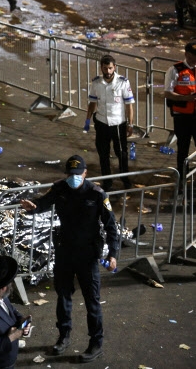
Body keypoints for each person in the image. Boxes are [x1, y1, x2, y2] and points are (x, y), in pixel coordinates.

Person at [19, 155, 119, 363]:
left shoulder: (97, 194)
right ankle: (63, 336)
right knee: (63, 297)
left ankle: (95, 343)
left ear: (85, 173)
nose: (74, 178)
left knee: (92, 301)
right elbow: (44, 203)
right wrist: (33, 206)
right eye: (70, 174)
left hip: (88, 255)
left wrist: (113, 254)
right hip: (65, 252)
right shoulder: (60, 188)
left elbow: (111, 226)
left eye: (78, 174)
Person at [84, 55, 135, 192]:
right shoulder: (96, 83)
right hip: (101, 123)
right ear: (101, 68)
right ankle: (107, 181)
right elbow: (92, 103)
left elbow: (129, 105)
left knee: (122, 154)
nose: (108, 71)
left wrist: (130, 124)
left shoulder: (123, 82)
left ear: (114, 67)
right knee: (103, 154)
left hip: (118, 123)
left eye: (110, 68)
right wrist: (88, 119)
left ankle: (125, 178)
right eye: (105, 68)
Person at [164, 41, 196, 183]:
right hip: (182, 116)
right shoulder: (175, 70)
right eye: (193, 55)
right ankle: (182, 178)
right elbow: (167, 93)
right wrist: (186, 98)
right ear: (186, 54)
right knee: (183, 148)